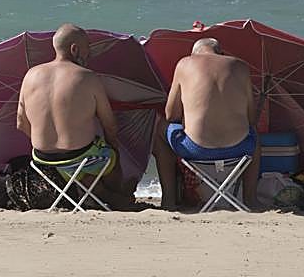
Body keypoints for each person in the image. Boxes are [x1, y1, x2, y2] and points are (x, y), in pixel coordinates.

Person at [16, 23, 136, 209]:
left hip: (42, 159)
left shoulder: (31, 75)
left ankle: (97, 191)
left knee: (90, 153)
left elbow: (20, 123)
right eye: (87, 48)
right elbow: (110, 125)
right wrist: (113, 146)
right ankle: (116, 195)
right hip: (80, 158)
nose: (89, 54)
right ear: (74, 49)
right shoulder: (87, 77)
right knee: (110, 154)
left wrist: (47, 142)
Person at [152, 38, 260, 210]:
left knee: (160, 130)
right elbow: (251, 119)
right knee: (254, 136)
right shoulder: (241, 66)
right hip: (239, 148)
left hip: (196, 149)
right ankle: (250, 199)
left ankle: (169, 200)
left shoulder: (185, 64)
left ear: (194, 54)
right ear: (221, 53)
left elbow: (170, 114)